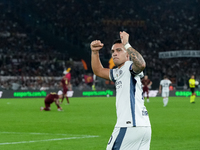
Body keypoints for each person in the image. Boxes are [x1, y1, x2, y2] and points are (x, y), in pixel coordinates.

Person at [91, 31, 151, 150]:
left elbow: (141, 64)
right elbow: (98, 71)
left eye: (119, 50)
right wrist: (94, 52)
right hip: (143, 127)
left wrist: (127, 44)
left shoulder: (129, 67)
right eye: (113, 51)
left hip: (128, 125)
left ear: (128, 55)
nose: (114, 54)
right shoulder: (118, 72)